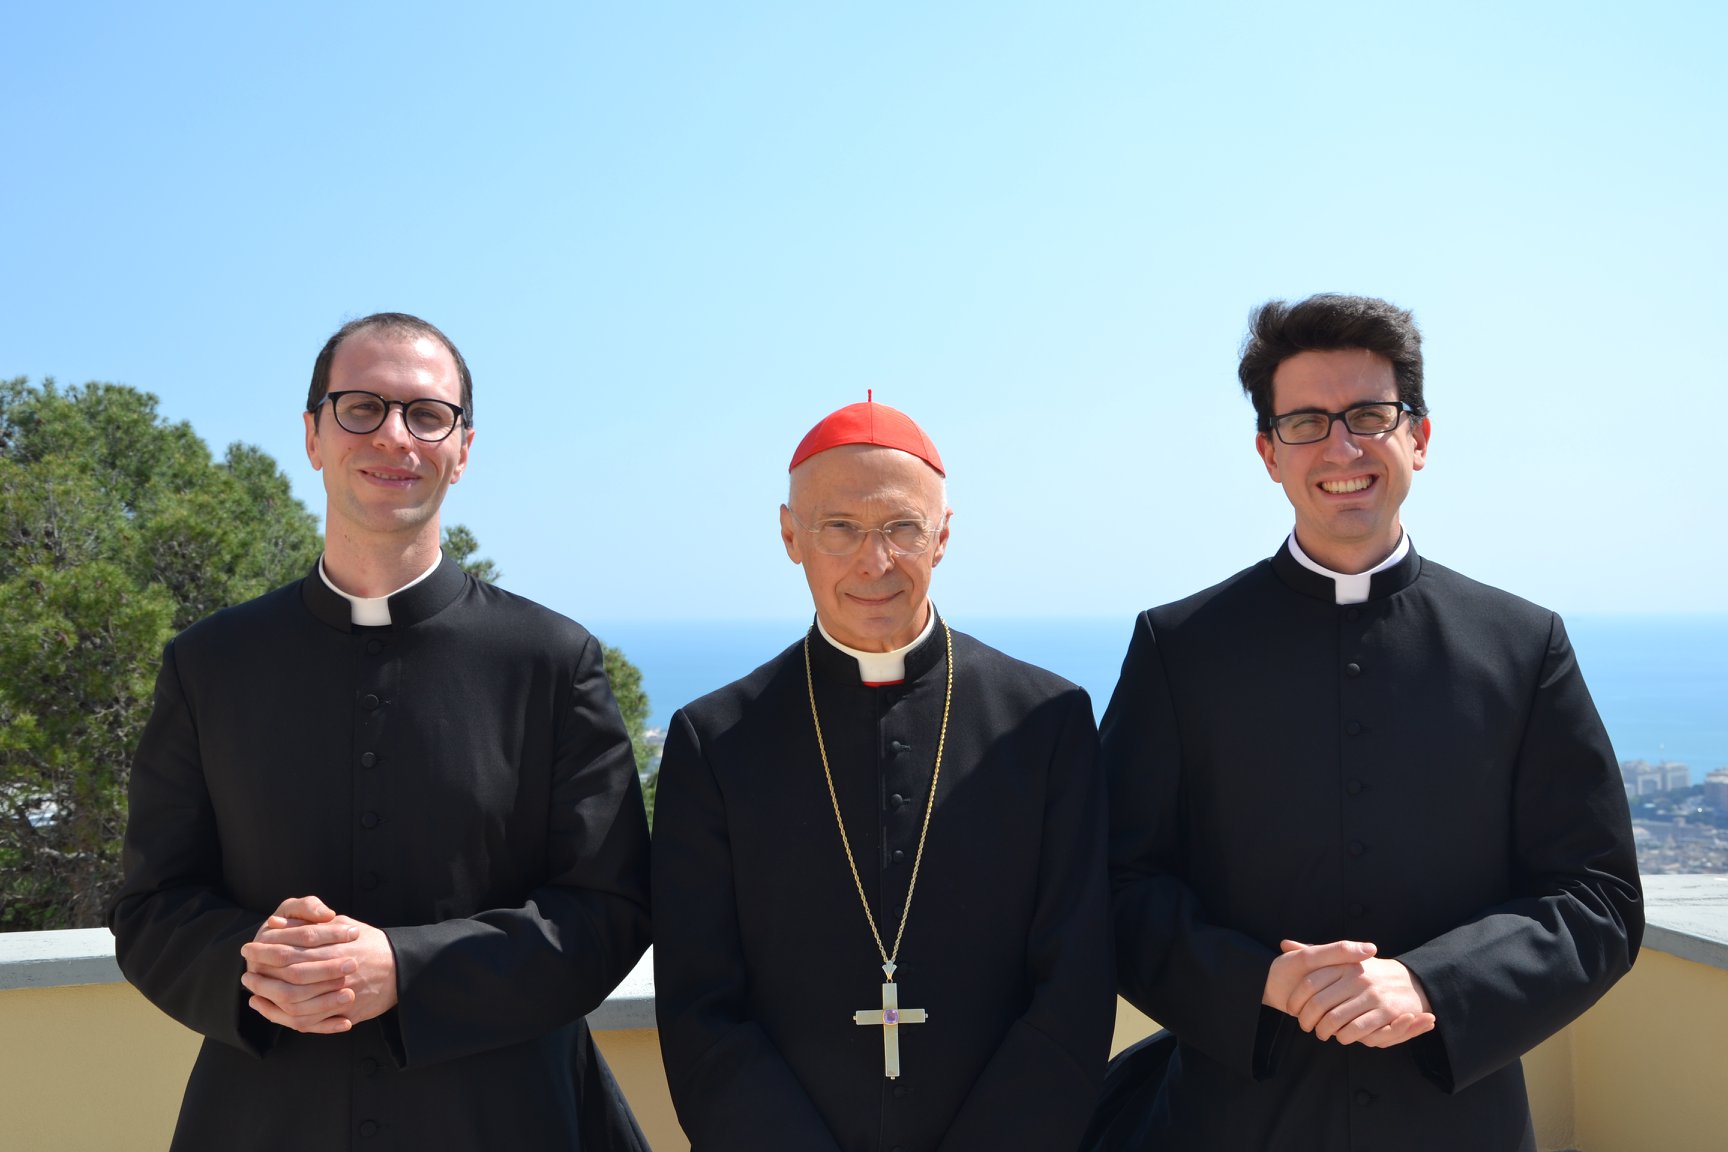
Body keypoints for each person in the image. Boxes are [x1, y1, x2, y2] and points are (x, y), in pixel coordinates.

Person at [1098, 294, 1643, 1151]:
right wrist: (1262, 984)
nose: (1341, 448)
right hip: (1233, 1122)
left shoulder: (1522, 645)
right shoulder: (1178, 649)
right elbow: (1116, 886)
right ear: (1267, 454)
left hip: (1458, 1123)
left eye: (1369, 415)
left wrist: (1434, 986)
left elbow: (1599, 900)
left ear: (1419, 439)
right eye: (1307, 423)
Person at [109, 312, 653, 1151]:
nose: (394, 436)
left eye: (426, 415)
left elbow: (607, 910)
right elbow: (150, 907)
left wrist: (405, 970)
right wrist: (250, 961)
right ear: (312, 435)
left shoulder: (552, 661)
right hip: (263, 1120)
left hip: (504, 1118)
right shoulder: (209, 665)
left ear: (462, 449)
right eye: (361, 407)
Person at [652, 398, 1113, 1151]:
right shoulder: (715, 740)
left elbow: (1077, 983)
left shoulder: (1046, 721)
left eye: (902, 528)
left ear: (944, 536)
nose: (875, 562)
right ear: (790, 535)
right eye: (840, 528)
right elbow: (700, 1004)